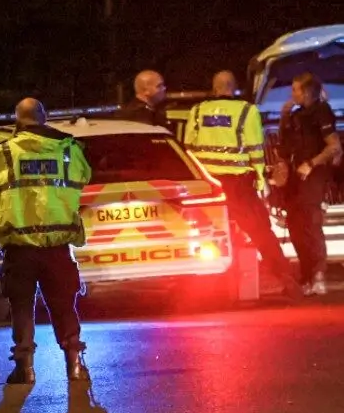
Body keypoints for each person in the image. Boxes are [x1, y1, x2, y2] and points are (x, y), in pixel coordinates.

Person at [0, 98, 92, 385]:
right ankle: (75, 364)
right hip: (57, 244)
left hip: (21, 246)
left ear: (18, 119)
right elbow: (85, 176)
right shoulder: (69, 149)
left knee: (21, 306)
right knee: (64, 303)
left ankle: (24, 369)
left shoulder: (5, 152)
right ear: (45, 117)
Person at [183, 70, 302, 299]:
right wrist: (260, 180)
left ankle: (204, 291)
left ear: (214, 88)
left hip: (208, 186)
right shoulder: (247, 111)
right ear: (234, 88)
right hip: (239, 185)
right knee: (261, 232)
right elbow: (256, 150)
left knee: (206, 235)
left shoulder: (197, 111)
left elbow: (189, 148)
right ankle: (286, 278)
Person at [274, 72, 341, 295]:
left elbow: (334, 147)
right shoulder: (296, 114)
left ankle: (319, 274)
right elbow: (284, 145)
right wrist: (284, 115)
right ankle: (306, 274)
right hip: (295, 178)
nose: (292, 94)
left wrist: (311, 164)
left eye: (296, 89)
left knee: (311, 225)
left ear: (308, 91)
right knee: (294, 226)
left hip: (314, 175)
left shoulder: (322, 112)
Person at [115, 70, 172, 134]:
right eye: (159, 86)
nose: (164, 88)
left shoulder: (151, 111)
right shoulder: (137, 116)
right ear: (145, 91)